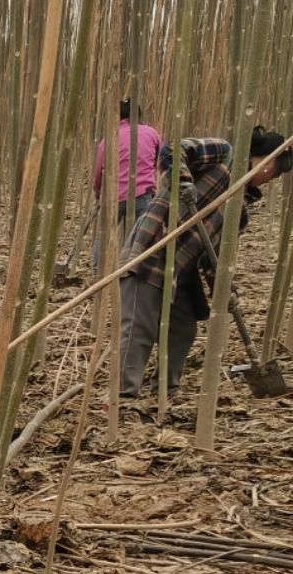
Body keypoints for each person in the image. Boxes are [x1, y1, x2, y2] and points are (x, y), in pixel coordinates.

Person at [119, 128, 292, 399]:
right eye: (275, 172)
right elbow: (173, 150)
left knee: (184, 328)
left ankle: (166, 390)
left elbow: (215, 257)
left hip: (182, 269)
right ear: (265, 161)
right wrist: (184, 182)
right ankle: (124, 396)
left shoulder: (241, 211)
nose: (271, 179)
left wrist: (223, 289)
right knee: (140, 328)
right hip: (153, 248)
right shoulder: (223, 154)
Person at [93, 99, 163, 270]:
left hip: (113, 197)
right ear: (138, 115)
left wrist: (98, 194)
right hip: (143, 194)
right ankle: (140, 271)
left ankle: (97, 272)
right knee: (144, 236)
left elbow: (98, 172)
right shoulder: (151, 133)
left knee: (103, 236)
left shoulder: (109, 139)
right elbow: (163, 159)